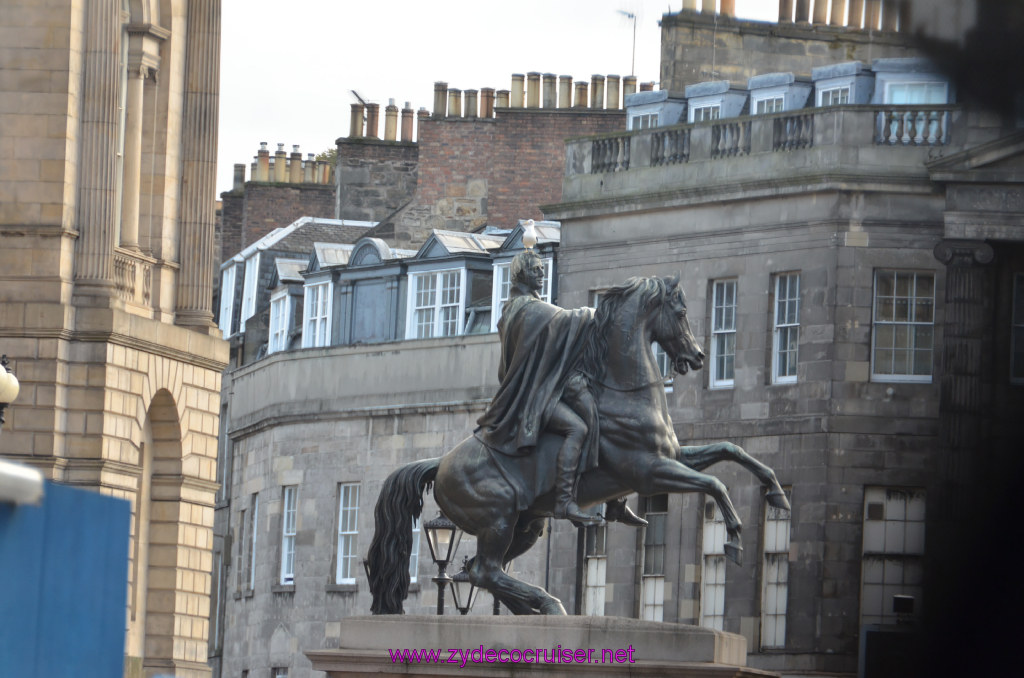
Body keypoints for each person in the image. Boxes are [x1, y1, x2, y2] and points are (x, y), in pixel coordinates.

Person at [475, 247, 644, 527]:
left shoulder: (528, 306)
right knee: (577, 428)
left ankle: (615, 500)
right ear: (521, 274)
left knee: (598, 415)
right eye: (535, 270)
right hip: (530, 398)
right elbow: (562, 319)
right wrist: (595, 313)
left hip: (543, 389)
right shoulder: (522, 307)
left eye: (542, 270)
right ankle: (565, 501)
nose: (541, 275)